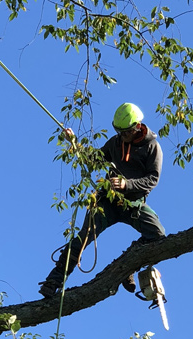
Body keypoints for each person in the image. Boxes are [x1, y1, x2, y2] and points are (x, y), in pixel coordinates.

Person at [39, 102, 166, 298]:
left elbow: (152, 179)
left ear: (136, 127)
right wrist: (74, 143)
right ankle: (53, 281)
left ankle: (129, 265)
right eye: (119, 131)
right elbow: (94, 159)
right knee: (84, 237)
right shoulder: (115, 143)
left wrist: (126, 185)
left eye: (125, 132)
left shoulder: (152, 147)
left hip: (132, 205)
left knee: (158, 234)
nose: (121, 136)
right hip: (107, 201)